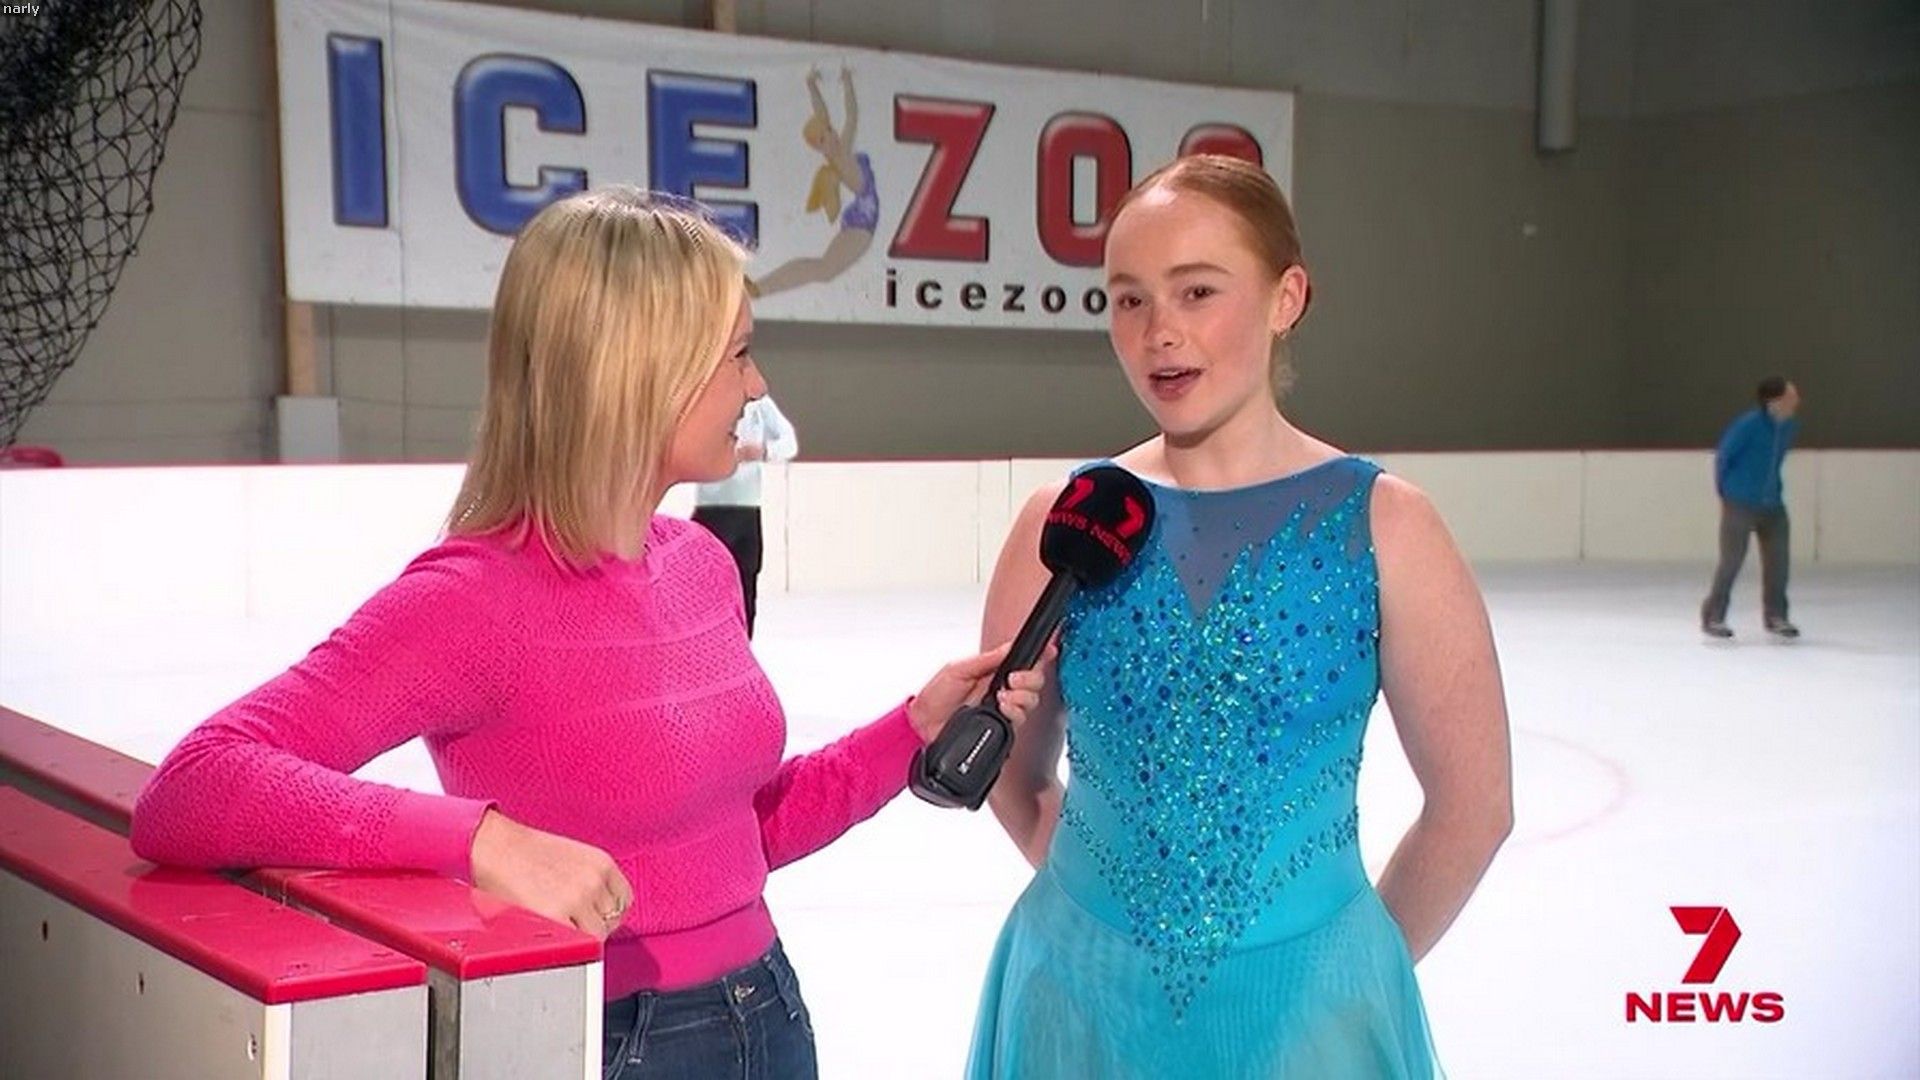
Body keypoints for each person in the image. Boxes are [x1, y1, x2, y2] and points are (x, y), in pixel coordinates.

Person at [129, 187, 1045, 1080]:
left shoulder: (700, 565)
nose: (757, 384)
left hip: (768, 1012)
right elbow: (195, 784)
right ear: (639, 371)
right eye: (737, 354)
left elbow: (742, 836)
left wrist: (911, 730)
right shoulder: (471, 601)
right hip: (606, 1041)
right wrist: (479, 841)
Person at [964, 155, 1513, 1079]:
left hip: (1310, 1024)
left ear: (1285, 297)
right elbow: (1008, 771)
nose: (1159, 332)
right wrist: (1105, 908)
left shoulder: (1386, 526)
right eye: (1129, 299)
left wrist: (1348, 964)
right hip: (1078, 1007)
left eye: (1197, 291)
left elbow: (1475, 805)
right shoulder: (1065, 520)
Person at [749, 66, 877, 298]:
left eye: (830, 131)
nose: (832, 136)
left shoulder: (842, 150)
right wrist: (842, 83)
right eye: (823, 138)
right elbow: (848, 117)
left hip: (859, 218)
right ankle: (760, 288)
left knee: (824, 269)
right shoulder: (839, 157)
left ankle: (760, 288)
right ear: (820, 147)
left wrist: (816, 85)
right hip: (861, 224)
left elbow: (838, 115)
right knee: (824, 270)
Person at [1700, 376, 1802, 640]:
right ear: (1774, 401)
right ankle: (1714, 616)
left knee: (1778, 563)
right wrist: (1727, 491)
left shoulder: (1788, 426)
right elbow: (1724, 456)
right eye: (1791, 396)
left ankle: (1776, 616)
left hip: (1773, 505)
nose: (1796, 401)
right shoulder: (1748, 425)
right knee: (1732, 561)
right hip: (1740, 503)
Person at [693, 394, 797, 637]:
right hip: (713, 507)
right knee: (708, 584)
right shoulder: (704, 399)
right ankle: (706, 643)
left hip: (748, 508)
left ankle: (742, 644)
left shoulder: (759, 404)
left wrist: (763, 451)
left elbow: (788, 442)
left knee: (746, 582)